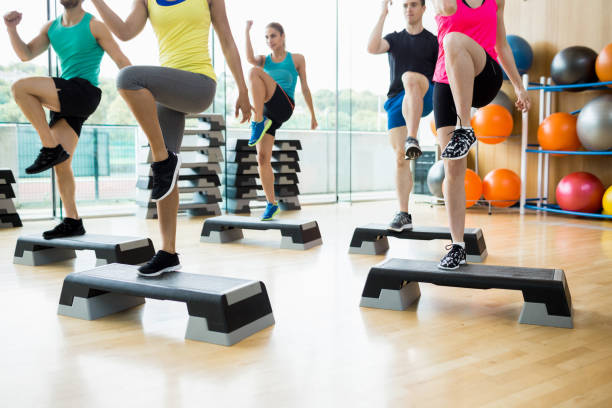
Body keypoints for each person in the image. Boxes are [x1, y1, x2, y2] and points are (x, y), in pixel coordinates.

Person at [91, 0, 251, 276]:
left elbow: (226, 38)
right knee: (165, 172)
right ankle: (168, 252)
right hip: (169, 92)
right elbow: (125, 31)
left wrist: (242, 88)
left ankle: (164, 160)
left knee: (128, 77)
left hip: (198, 84)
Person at [4, 0, 131, 239]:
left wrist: (142, 94)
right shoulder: (51, 28)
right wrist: (12, 29)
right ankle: (73, 220)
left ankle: (48, 148)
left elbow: (121, 60)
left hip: (83, 92)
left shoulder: (95, 26)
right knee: (62, 164)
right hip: (65, 98)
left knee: (20, 88)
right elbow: (26, 54)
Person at [432, 0, 530, 269]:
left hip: (485, 74)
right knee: (452, 168)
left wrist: (519, 87)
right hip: (446, 83)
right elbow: (447, 9)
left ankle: (465, 128)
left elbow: (502, 45)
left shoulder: (496, 1)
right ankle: (457, 247)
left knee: (452, 40)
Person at [367, 0, 438, 232]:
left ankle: (413, 136)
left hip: (425, 93)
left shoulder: (433, 42)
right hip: (397, 101)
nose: (409, 9)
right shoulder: (395, 39)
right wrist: (382, 14)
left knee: (410, 78)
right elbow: (371, 47)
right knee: (400, 158)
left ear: (423, 9)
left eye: (414, 5)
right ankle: (403, 214)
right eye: (405, 5)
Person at [245, 20, 317, 221]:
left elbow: (305, 87)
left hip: (285, 105)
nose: (270, 40)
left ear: (283, 36)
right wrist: (247, 31)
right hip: (269, 112)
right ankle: (271, 204)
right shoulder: (264, 60)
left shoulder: (297, 59)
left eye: (273, 36)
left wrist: (312, 114)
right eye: (266, 37)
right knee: (262, 158)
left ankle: (257, 121)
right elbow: (250, 57)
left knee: (253, 72)